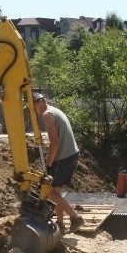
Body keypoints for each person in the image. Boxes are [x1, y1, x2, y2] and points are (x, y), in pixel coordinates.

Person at [34, 92, 84, 233]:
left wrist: (48, 165)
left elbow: (54, 142)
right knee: (56, 191)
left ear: (40, 102)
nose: (34, 111)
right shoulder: (55, 111)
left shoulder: (47, 114)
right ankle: (60, 223)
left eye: (33, 106)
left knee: (50, 193)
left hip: (64, 157)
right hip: (71, 154)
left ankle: (75, 217)